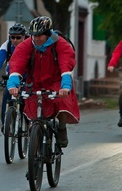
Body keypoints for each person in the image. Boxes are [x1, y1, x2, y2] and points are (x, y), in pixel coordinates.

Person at [7, 16, 80, 148]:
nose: (36, 38)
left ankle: (61, 127)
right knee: (34, 112)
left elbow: (66, 66)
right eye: (34, 35)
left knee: (62, 102)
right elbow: (17, 63)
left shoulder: (61, 44)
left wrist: (65, 86)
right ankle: (35, 144)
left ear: (48, 34)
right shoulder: (27, 44)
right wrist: (13, 84)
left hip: (56, 82)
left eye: (40, 35)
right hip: (35, 83)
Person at [0, 23, 28, 133]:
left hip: (27, 76)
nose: (15, 40)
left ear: (24, 37)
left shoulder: (30, 44)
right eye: (12, 37)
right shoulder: (6, 45)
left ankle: (29, 122)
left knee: (27, 97)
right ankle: (5, 123)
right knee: (7, 94)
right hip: (12, 75)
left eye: (18, 37)